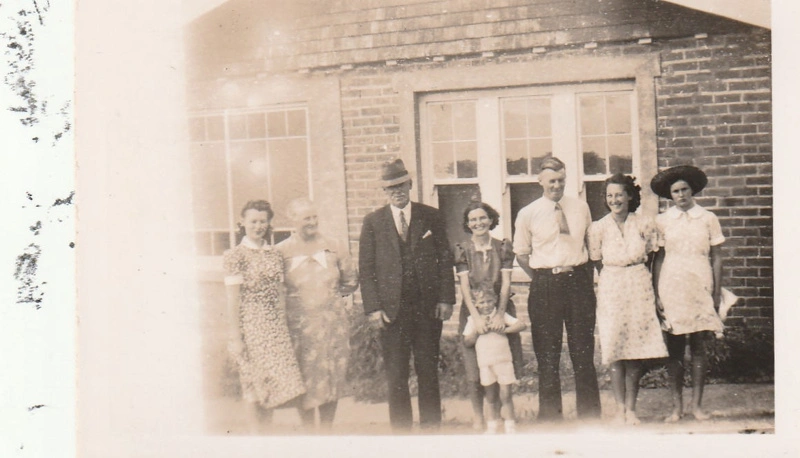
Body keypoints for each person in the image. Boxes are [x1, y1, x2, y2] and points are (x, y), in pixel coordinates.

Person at [358, 158, 456, 432]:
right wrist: (373, 308)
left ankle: (431, 429)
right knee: (396, 373)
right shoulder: (373, 222)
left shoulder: (431, 216)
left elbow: (445, 259)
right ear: (384, 192)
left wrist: (446, 298)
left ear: (410, 184)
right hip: (391, 311)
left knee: (427, 370)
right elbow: (366, 269)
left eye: (401, 185)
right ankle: (401, 432)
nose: (397, 191)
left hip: (427, 308)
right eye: (390, 188)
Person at [512, 156, 601, 421]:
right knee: (547, 353)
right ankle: (550, 417)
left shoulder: (580, 207)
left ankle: (590, 415)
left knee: (583, 350)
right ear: (540, 181)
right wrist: (544, 277)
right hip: (545, 285)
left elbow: (590, 243)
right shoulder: (528, 213)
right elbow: (522, 255)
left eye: (561, 180)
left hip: (578, 283)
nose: (557, 186)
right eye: (551, 181)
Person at [587, 174, 669, 425]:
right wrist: (613, 279)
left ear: (630, 196)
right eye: (610, 195)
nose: (615, 200)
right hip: (612, 285)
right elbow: (597, 261)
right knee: (615, 348)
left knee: (635, 350)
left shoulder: (644, 224)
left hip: (639, 285)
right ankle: (619, 409)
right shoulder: (598, 228)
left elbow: (657, 257)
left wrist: (655, 292)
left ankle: (631, 410)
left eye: (619, 194)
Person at [277, 198, 359, 432]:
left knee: (330, 377)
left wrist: (329, 299)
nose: (313, 222)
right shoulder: (281, 251)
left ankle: (325, 431)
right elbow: (276, 288)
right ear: (293, 220)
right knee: (303, 379)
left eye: (315, 217)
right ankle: (308, 431)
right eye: (306, 218)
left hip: (331, 326)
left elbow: (351, 281)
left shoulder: (334, 246)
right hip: (297, 327)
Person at [651, 165, 725, 423]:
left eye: (684, 190)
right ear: (670, 195)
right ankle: (676, 407)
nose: (681, 195)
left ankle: (698, 406)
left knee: (698, 346)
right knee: (675, 348)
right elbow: (658, 258)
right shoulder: (662, 221)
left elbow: (717, 257)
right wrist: (658, 293)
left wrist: (716, 292)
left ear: (692, 190)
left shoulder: (707, 218)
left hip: (700, 284)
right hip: (672, 285)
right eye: (675, 191)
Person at [223, 200, 305, 428]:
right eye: (253, 221)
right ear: (242, 223)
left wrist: (283, 326)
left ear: (269, 224)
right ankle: (256, 440)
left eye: (263, 221)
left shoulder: (274, 254)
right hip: (250, 326)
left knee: (271, 386)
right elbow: (233, 299)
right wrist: (236, 337)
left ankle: (266, 435)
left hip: (274, 327)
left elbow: (280, 293)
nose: (258, 226)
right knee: (252, 383)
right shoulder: (235, 255)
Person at [453, 201, 525, 431]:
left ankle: (505, 415)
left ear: (491, 219)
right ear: (467, 224)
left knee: (504, 366)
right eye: (473, 219)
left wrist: (500, 314)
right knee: (475, 369)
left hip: (499, 309)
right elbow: (464, 287)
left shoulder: (502, 247)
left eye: (482, 218)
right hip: (473, 312)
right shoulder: (463, 250)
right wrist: (475, 317)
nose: (478, 223)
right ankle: (479, 417)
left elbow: (505, 283)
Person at [462, 288, 527, 434]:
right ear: (475, 304)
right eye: (482, 302)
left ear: (496, 300)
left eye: (489, 301)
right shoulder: (473, 320)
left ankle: (510, 426)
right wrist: (477, 331)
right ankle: (492, 426)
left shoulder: (501, 316)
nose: (486, 305)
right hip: (485, 363)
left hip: (503, 361)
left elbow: (522, 325)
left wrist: (504, 330)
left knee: (506, 395)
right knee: (490, 396)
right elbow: (467, 342)